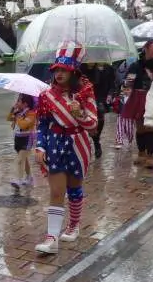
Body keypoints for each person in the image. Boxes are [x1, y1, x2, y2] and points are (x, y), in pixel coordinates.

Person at [34, 42, 98, 255]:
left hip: (78, 144)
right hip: (55, 145)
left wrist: (79, 112)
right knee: (56, 192)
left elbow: (93, 126)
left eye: (65, 70)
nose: (60, 73)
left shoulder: (86, 94)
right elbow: (42, 124)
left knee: (74, 189)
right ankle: (52, 238)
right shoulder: (46, 96)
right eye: (57, 69)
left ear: (73, 72)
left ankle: (74, 225)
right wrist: (40, 146)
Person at [122, 41, 153, 163]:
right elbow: (128, 82)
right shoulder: (136, 65)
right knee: (140, 127)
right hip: (138, 97)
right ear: (146, 49)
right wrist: (127, 87)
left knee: (150, 126)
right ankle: (141, 153)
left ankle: (150, 156)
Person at [7, 93, 37, 192]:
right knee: (25, 159)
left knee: (20, 160)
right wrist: (12, 110)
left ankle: (18, 180)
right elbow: (8, 118)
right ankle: (30, 178)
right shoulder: (18, 112)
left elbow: (24, 125)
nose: (17, 103)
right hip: (18, 138)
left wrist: (18, 116)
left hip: (27, 138)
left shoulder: (31, 113)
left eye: (19, 101)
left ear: (25, 104)